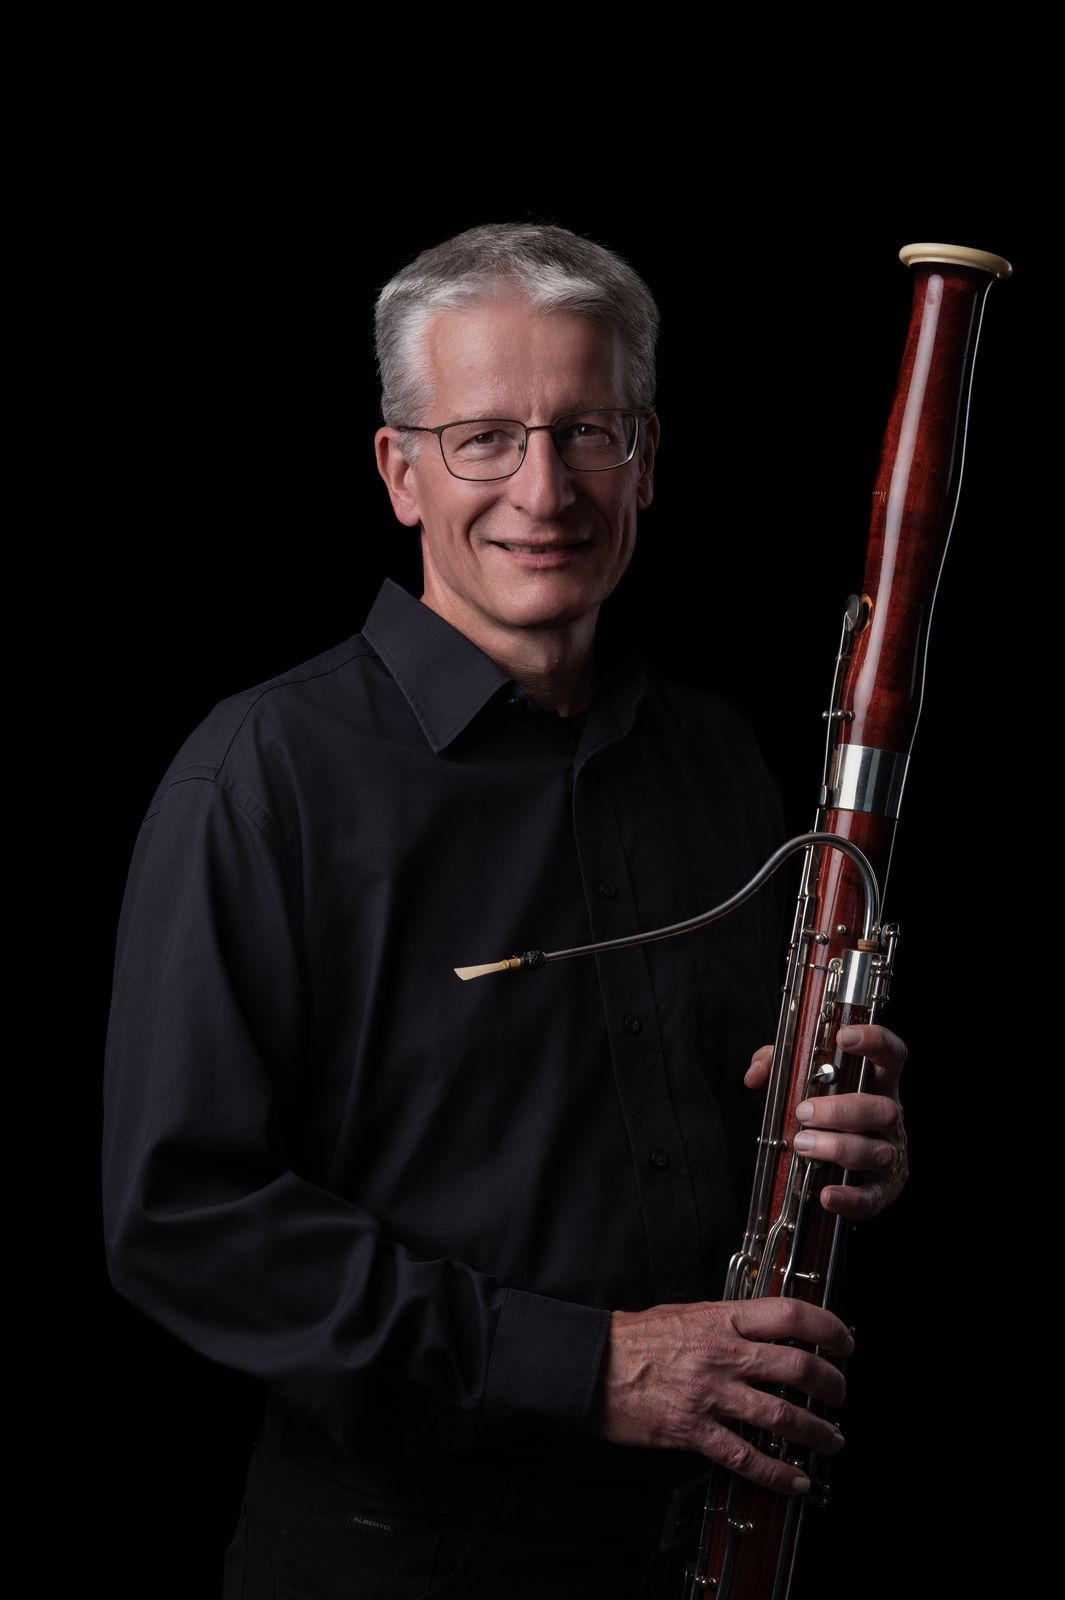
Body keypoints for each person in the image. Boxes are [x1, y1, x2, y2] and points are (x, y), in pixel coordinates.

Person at [103, 222, 909, 1598]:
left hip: (700, 1537)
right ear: (399, 472)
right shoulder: (261, 778)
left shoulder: (716, 758)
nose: (543, 490)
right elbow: (186, 1218)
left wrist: (841, 1137)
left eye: (586, 431)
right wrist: (590, 1367)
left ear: (646, 460)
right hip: (399, 1560)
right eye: (482, 438)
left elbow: (721, 1131)